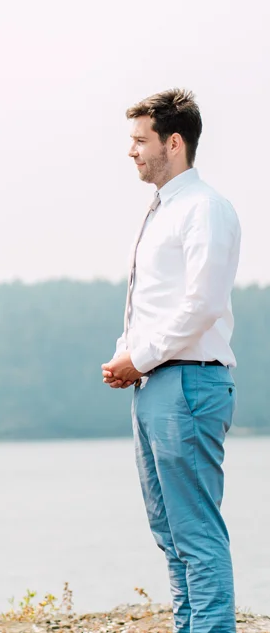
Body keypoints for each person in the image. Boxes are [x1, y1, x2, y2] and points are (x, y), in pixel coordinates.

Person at [101, 89, 241, 633]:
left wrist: (142, 357)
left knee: (195, 532)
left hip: (188, 383)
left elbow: (202, 304)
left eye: (140, 140)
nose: (131, 151)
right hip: (157, 384)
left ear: (174, 143)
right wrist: (126, 354)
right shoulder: (162, 210)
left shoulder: (205, 209)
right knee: (169, 532)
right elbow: (152, 302)